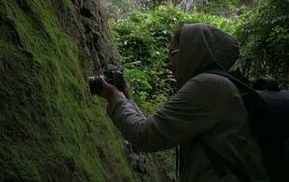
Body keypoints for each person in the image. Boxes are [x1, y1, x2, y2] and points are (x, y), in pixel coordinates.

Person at [96, 23, 269, 182]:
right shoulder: (218, 84)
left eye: (173, 54)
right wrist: (125, 100)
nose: (169, 63)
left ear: (191, 51)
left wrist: (114, 98)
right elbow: (152, 127)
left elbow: (145, 135)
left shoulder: (207, 86)